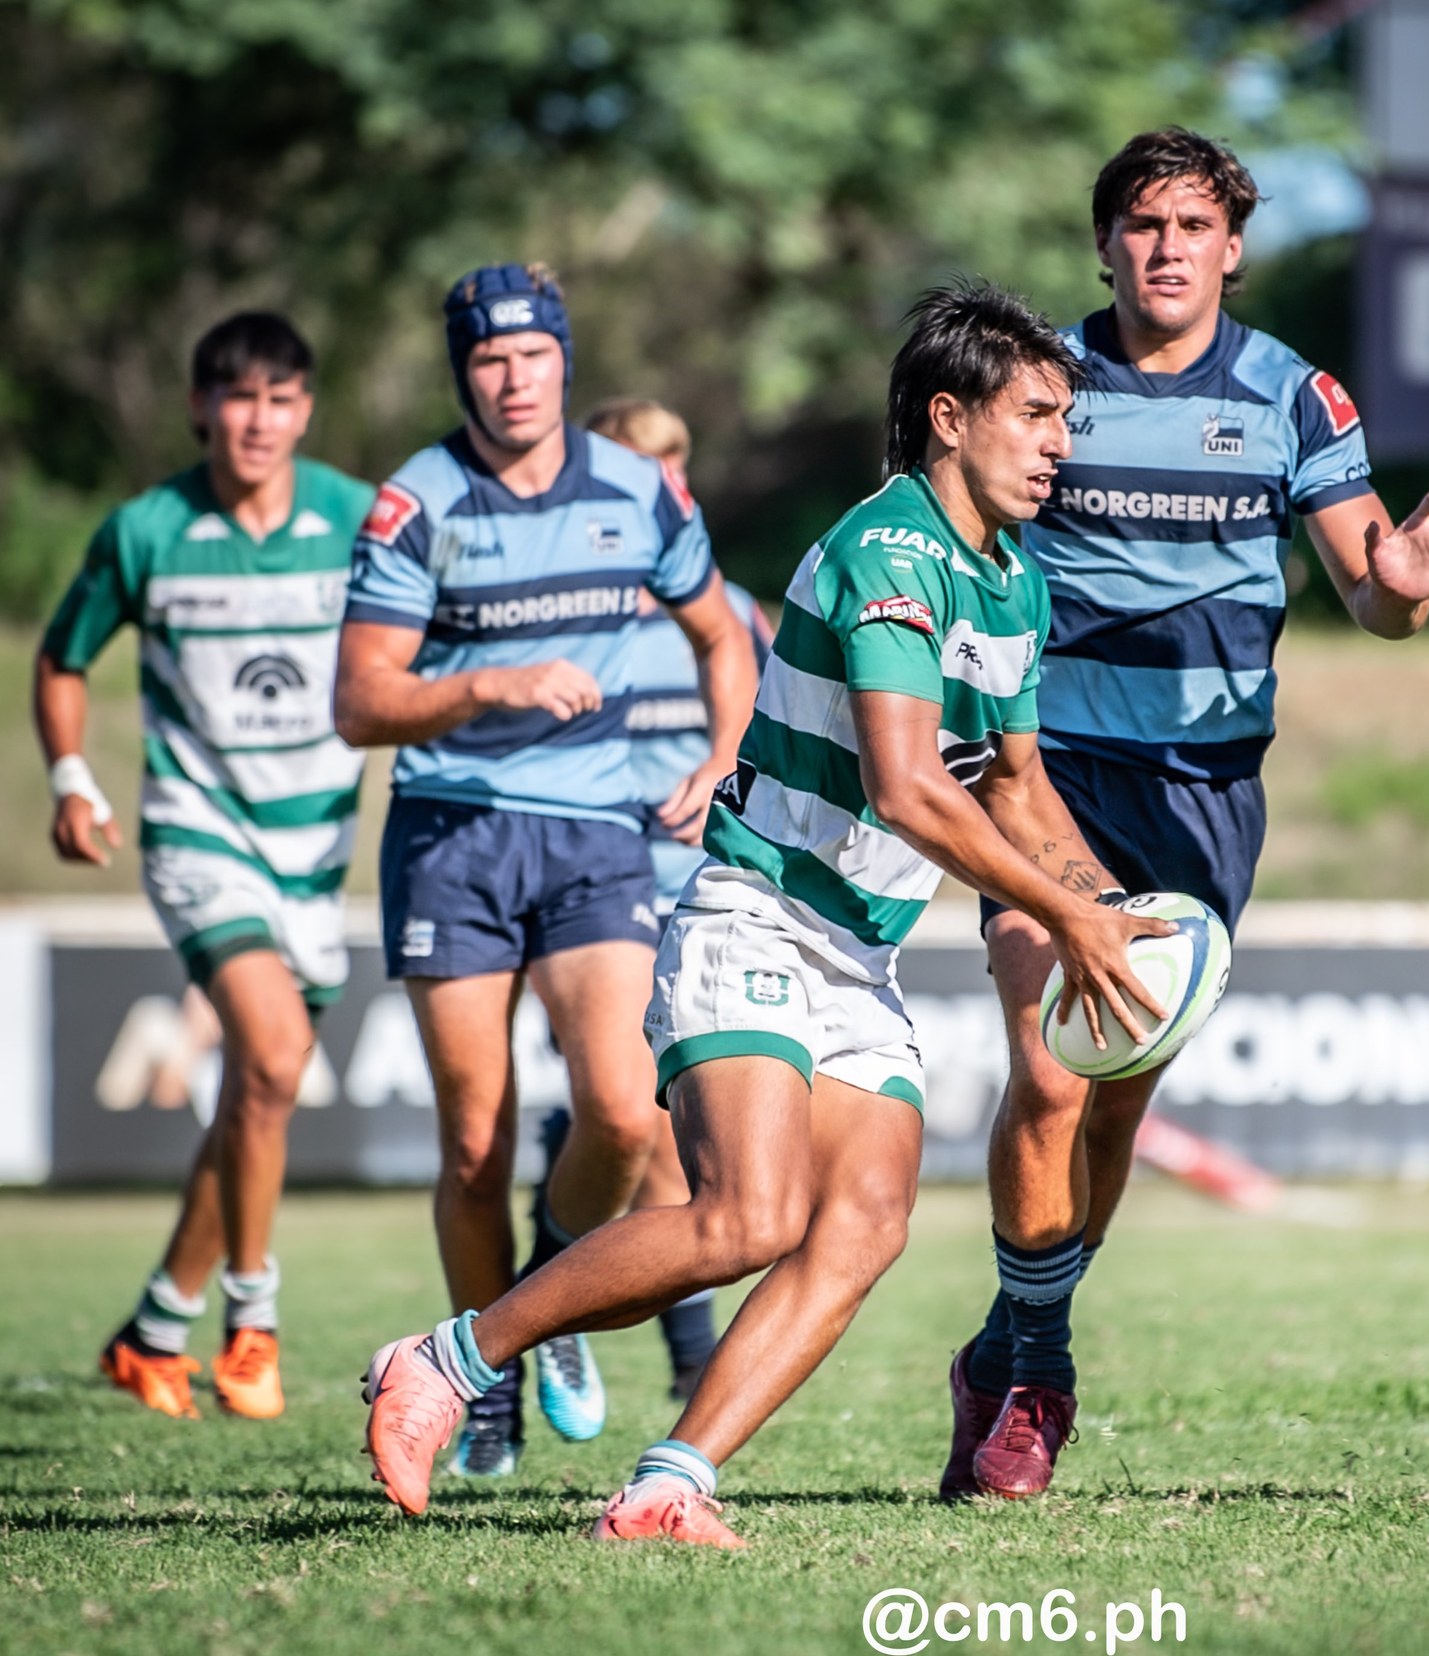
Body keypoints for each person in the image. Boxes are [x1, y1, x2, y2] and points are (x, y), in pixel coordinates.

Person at [362, 280, 1170, 1549]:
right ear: (949, 418)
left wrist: (1115, 910)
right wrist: (1067, 924)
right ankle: (452, 1358)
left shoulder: (1010, 579)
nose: (1060, 442)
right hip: (758, 917)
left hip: (858, 951)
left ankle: (668, 1484)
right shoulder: (887, 553)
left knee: (865, 1222)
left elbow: (1016, 785)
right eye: (1038, 415)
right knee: (745, 1218)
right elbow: (908, 788)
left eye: (1065, 419)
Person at [940, 128, 1429, 1501]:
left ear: (1234, 244)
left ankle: (1005, 1345)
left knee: (1114, 1103)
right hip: (1042, 772)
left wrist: (1408, 576)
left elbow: (1374, 595)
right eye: (1139, 222)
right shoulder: (1039, 386)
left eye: (1192, 224)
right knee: (1053, 1067)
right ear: (1105, 242)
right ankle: (1042, 1381)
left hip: (1206, 797)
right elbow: (961, 546)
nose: (1165, 247)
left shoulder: (1297, 397)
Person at [335, 264, 758, 1477]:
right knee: (473, 1143)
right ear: (460, 371)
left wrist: (724, 753)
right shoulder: (417, 503)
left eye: (531, 357)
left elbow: (722, 633)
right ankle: (486, 1397)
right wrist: (486, 683)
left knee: (626, 1113)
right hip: (452, 834)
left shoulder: (636, 487)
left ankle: (547, 1282)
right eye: (486, 360)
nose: (511, 380)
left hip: (593, 833)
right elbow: (358, 701)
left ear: (563, 360)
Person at [36, 312, 373, 1421]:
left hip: (315, 851)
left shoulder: (357, 520)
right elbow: (62, 660)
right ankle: (252, 1320)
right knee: (271, 1058)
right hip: (198, 833)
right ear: (200, 408)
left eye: (280, 398)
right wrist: (74, 780)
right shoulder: (147, 529)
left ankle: (152, 1329)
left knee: (256, 1097)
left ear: (305, 410)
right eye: (238, 398)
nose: (258, 420)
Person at [550, 395, 775, 1399]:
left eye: (676, 463)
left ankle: (561, 1247)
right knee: (645, 1124)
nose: (666, 486)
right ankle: (674, 1347)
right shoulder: (564, 610)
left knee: (681, 1135)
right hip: (603, 901)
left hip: (716, 901)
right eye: (644, 466)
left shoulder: (734, 615)